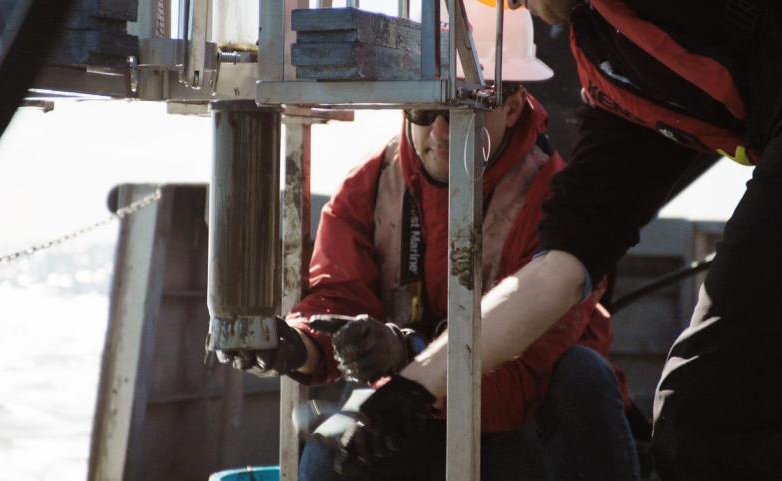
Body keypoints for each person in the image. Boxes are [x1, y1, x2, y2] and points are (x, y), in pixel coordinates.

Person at [331, 0, 782, 479]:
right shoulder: (620, 75)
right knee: (703, 412)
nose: (513, 4)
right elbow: (562, 267)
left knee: (711, 412)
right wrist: (417, 384)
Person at [214, 4, 639, 480]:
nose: (440, 130)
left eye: (468, 105)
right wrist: (301, 346)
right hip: (411, 413)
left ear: (515, 105)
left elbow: (523, 385)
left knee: (582, 376)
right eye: (425, 107)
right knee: (328, 457)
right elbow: (337, 297)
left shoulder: (562, 207)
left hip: (525, 440)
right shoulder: (370, 187)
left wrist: (409, 356)